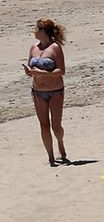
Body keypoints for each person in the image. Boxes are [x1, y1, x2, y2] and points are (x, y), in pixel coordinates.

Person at [25, 19, 68, 166]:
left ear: (42, 32)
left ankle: (60, 144)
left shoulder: (55, 47)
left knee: (56, 126)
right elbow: (31, 67)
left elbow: (61, 70)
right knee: (43, 125)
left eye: (36, 29)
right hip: (38, 91)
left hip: (55, 91)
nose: (34, 32)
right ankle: (51, 157)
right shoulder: (33, 47)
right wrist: (30, 72)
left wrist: (42, 73)